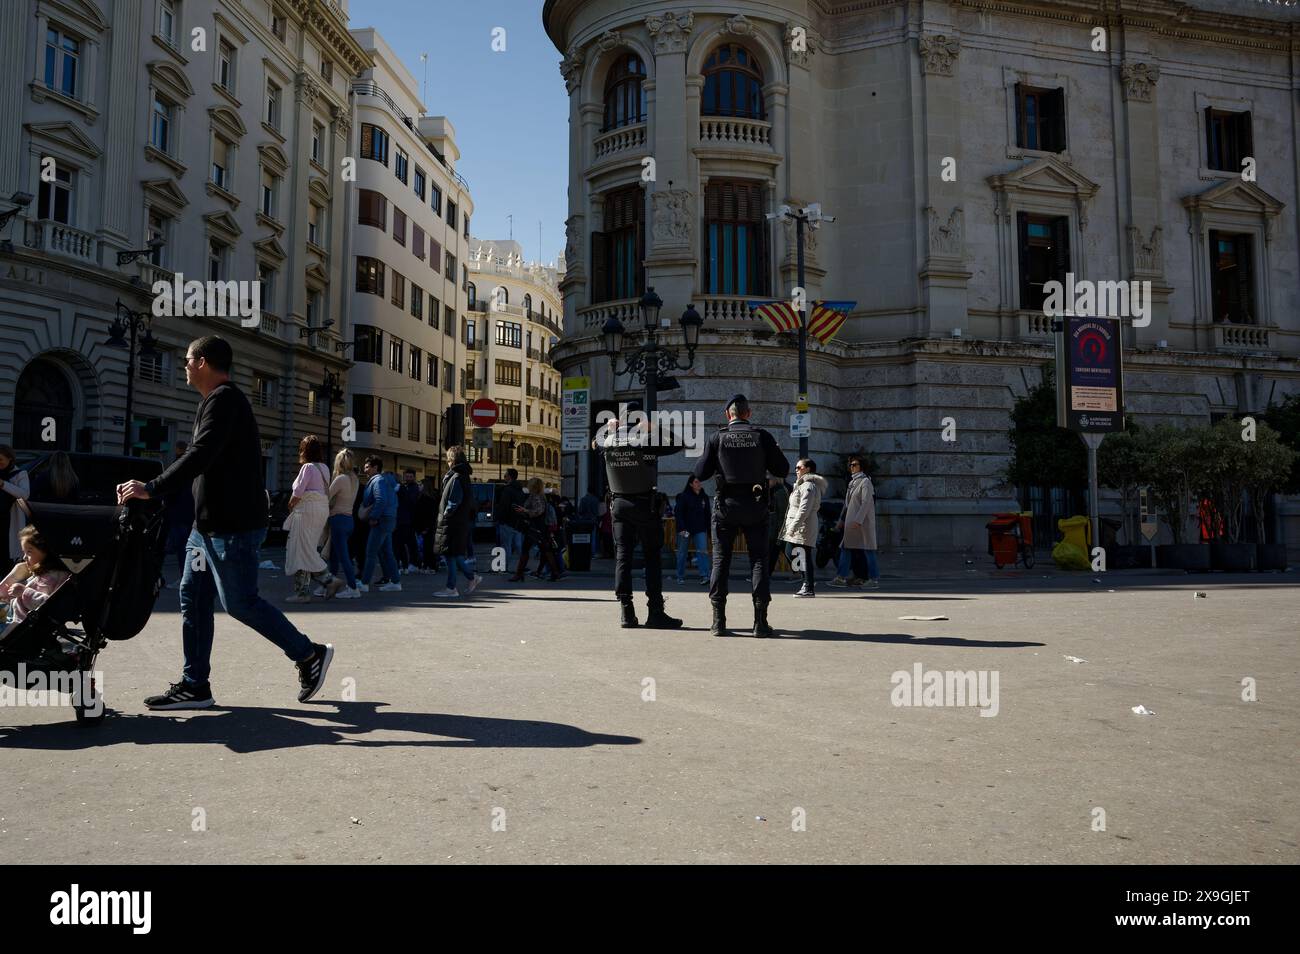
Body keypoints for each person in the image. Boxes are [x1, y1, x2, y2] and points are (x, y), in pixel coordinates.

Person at [116, 335, 333, 709]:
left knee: (241, 603)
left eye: (186, 359)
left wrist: (153, 488)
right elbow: (205, 462)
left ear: (202, 362)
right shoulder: (212, 402)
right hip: (206, 530)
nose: (184, 366)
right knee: (193, 598)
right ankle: (195, 684)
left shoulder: (225, 400)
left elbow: (201, 454)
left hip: (232, 527)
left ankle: (308, 654)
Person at [693, 395, 790, 638]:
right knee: (758, 561)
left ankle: (718, 621)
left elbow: (700, 472)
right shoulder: (762, 436)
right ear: (748, 413)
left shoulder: (718, 437)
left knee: (720, 561)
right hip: (756, 506)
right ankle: (760, 622)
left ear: (728, 415)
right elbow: (783, 469)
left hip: (726, 507)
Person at [594, 417, 684, 629]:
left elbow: (594, 442)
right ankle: (655, 612)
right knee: (652, 558)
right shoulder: (645, 442)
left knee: (623, 557)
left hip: (619, 506)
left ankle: (626, 612)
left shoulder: (607, 443)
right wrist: (655, 428)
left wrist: (608, 430)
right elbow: (678, 443)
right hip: (645, 505)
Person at [283, 436, 343, 603]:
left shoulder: (307, 467)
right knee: (307, 548)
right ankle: (319, 584)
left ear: (305, 450)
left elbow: (298, 493)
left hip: (306, 511)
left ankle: (310, 589)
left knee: (300, 549)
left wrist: (290, 506)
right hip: (320, 511)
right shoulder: (324, 467)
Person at [0, 525, 71, 634]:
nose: (24, 557)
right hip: (14, 617)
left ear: (46, 551)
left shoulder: (53, 577)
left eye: (29, 552)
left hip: (22, 626)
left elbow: (48, 607)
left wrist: (24, 592)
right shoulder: (40, 572)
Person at [432, 447, 481, 597]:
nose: (447, 462)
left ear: (452, 460)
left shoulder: (457, 477)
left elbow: (453, 501)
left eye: (448, 459)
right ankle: (468, 579)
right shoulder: (460, 476)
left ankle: (452, 587)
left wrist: (445, 515)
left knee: (451, 554)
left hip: (453, 522)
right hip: (457, 522)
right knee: (453, 554)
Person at [779, 459, 828, 598]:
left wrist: (793, 526)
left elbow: (804, 509)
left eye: (799, 467)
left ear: (807, 469)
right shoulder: (800, 485)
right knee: (790, 551)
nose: (796, 469)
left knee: (803, 555)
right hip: (796, 525)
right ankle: (807, 579)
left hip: (803, 525)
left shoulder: (808, 486)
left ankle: (808, 586)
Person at [833, 453, 880, 588]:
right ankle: (841, 577)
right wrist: (841, 521)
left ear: (862, 466)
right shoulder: (852, 482)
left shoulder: (866, 482)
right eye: (850, 465)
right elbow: (847, 505)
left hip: (862, 524)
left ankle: (873, 579)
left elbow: (866, 503)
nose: (851, 467)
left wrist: (858, 520)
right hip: (851, 524)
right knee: (846, 548)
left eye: (854, 465)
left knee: (869, 550)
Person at [358, 456, 401, 592]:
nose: (365, 470)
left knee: (371, 552)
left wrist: (374, 517)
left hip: (381, 520)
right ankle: (395, 582)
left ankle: (364, 583)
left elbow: (380, 500)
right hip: (388, 518)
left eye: (367, 467)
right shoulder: (386, 480)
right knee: (387, 552)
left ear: (375, 467)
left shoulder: (378, 481)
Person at [509, 478, 564, 583]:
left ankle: (519, 574)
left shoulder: (536, 497)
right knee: (545, 550)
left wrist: (524, 510)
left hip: (535, 528)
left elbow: (537, 511)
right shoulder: (539, 496)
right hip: (538, 528)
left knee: (533, 550)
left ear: (533, 486)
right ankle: (554, 572)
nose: (528, 485)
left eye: (530, 483)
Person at [325, 449, 361, 599]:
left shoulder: (341, 479)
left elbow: (326, 497)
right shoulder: (354, 479)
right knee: (334, 555)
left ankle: (353, 588)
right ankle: (329, 585)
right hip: (348, 520)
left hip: (338, 520)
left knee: (343, 557)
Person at [159, 442, 194, 584]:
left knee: (165, 548)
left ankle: (158, 577)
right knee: (187, 550)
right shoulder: (193, 467)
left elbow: (169, 492)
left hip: (176, 515)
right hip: (190, 516)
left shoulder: (176, 466)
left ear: (177, 449)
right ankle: (189, 578)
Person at [674, 476, 711, 585]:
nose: (699, 483)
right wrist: (681, 529)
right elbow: (678, 513)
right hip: (685, 530)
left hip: (700, 529)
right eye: (696, 482)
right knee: (682, 553)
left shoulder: (704, 497)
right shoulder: (684, 496)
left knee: (703, 552)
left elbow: (707, 515)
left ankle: (705, 576)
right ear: (691, 484)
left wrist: (709, 530)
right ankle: (680, 576)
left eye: (700, 481)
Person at [0, 444, 31, 568]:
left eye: (0, 459)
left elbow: (24, 494)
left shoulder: (20, 474)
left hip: (9, 521)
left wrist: (3, 484)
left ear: (10, 459)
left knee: (8, 556)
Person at [495, 469, 527, 573]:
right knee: (518, 545)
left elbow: (504, 506)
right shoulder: (520, 490)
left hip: (507, 522)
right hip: (517, 522)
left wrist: (500, 518)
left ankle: (503, 567)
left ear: (509, 477)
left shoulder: (507, 490)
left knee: (506, 546)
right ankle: (523, 566)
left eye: (505, 475)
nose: (504, 477)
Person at [393, 468, 422, 573]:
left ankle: (413, 563)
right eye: (407, 476)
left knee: (409, 544)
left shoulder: (413, 488)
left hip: (409, 520)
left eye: (410, 477)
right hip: (403, 519)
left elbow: (411, 501)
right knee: (403, 543)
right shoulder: (405, 487)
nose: (408, 478)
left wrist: (401, 490)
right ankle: (407, 564)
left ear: (414, 477)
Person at [765, 475, 791, 579]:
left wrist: (781, 532)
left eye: (769, 479)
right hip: (774, 529)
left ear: (774, 479)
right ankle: (765, 575)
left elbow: (782, 514)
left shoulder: (779, 491)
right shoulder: (773, 490)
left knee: (786, 552)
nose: (767, 482)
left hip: (777, 530)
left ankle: (803, 575)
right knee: (772, 554)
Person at [414, 475, 440, 573]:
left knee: (427, 547)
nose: (419, 486)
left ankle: (430, 566)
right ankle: (428, 565)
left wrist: (425, 527)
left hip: (427, 527)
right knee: (427, 547)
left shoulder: (426, 499)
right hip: (428, 526)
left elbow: (427, 515)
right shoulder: (428, 498)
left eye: (420, 485)